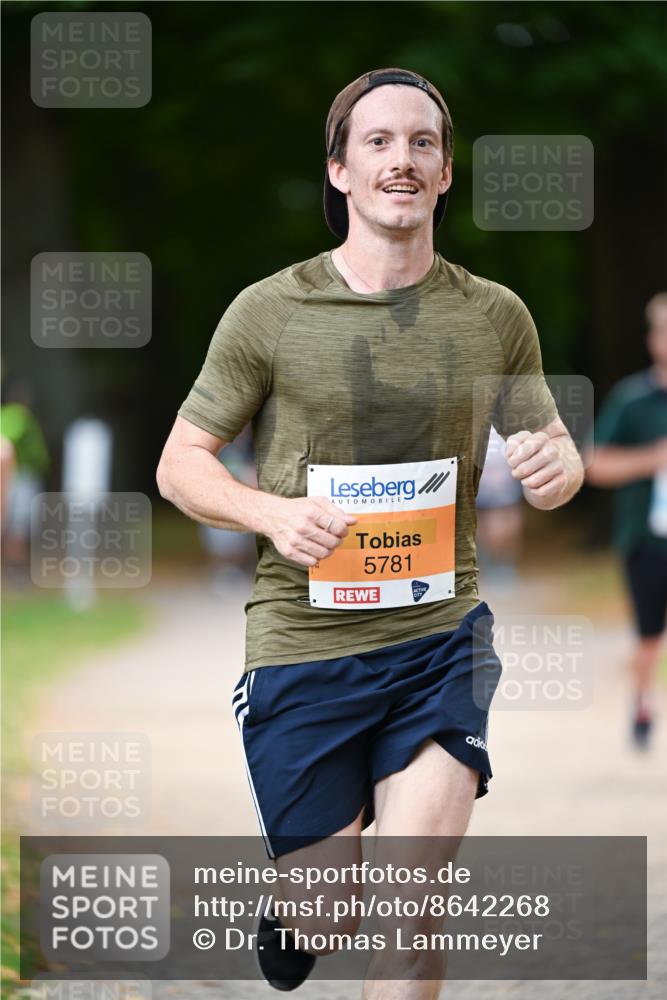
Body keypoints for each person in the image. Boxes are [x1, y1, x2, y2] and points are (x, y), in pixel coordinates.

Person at [157, 68, 584, 997]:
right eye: (378, 142)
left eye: (421, 143)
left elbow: (545, 444)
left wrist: (562, 468)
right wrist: (269, 512)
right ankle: (299, 904)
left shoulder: (494, 315)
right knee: (330, 906)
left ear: (444, 173)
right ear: (340, 171)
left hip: (438, 639)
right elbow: (179, 464)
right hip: (303, 645)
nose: (402, 159)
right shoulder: (268, 312)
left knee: (409, 902)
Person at [585, 293, 667, 748]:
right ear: (653, 339)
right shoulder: (633, 401)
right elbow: (595, 464)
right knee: (649, 635)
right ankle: (641, 699)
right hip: (647, 540)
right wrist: (653, 459)